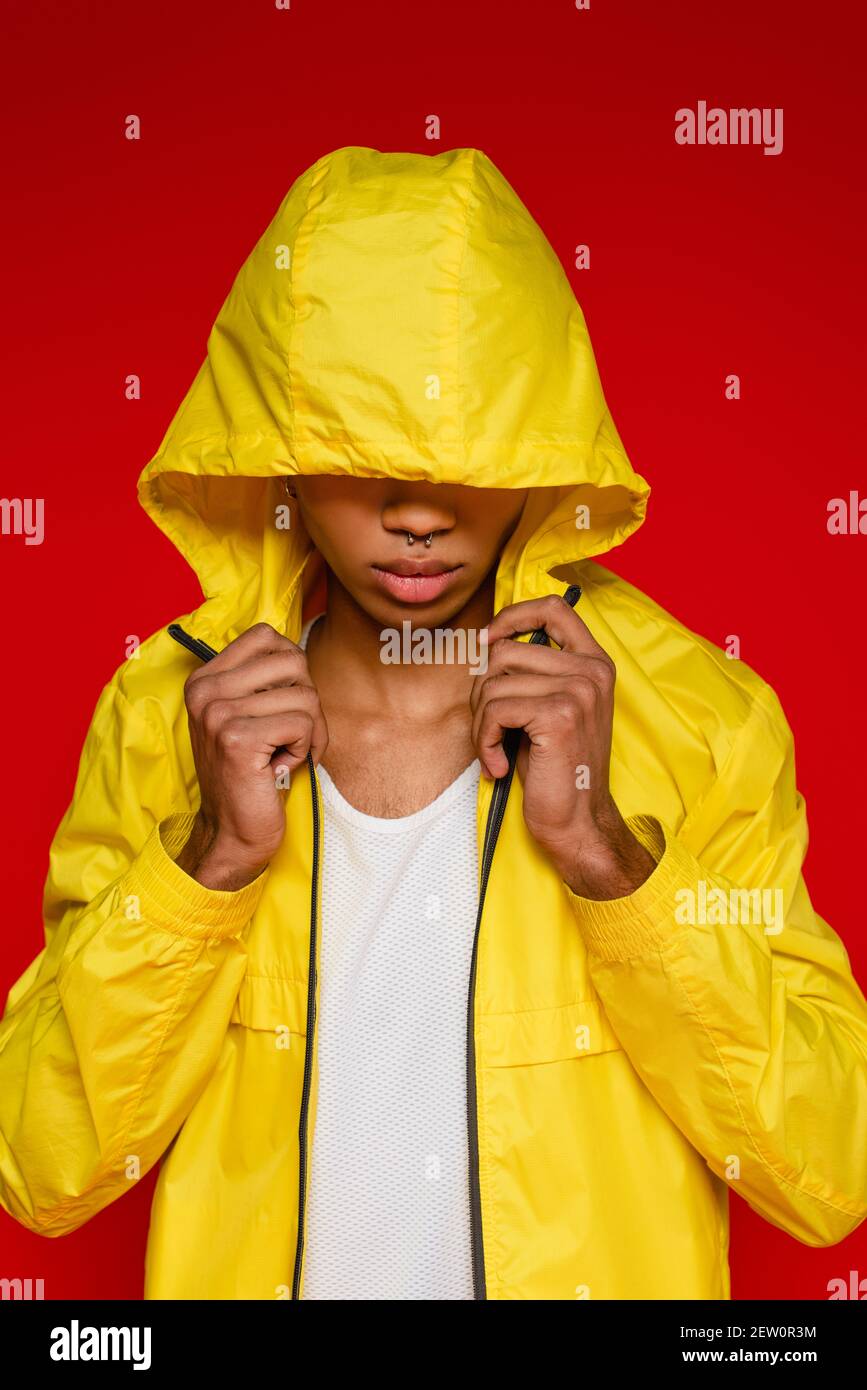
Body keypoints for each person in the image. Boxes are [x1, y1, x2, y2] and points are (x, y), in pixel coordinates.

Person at [1, 145, 866, 1301]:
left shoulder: (698, 711)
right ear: (281, 461)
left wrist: (611, 861)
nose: (416, 513)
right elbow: (44, 1165)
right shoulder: (170, 714)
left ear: (537, 453)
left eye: (464, 462)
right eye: (366, 462)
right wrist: (210, 863)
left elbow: (829, 1169)